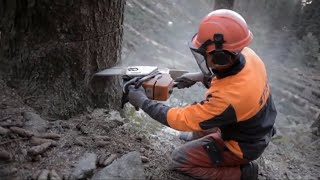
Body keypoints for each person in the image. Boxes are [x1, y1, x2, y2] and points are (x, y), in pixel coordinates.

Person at [127, 9, 277, 180]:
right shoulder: (249, 56)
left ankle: (241, 173)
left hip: (243, 146)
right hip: (255, 127)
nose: (202, 57)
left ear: (221, 57)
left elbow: (180, 119)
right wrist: (199, 77)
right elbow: (232, 79)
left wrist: (143, 101)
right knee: (206, 117)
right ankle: (197, 138)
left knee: (180, 159)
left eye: (205, 54)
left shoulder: (229, 100)